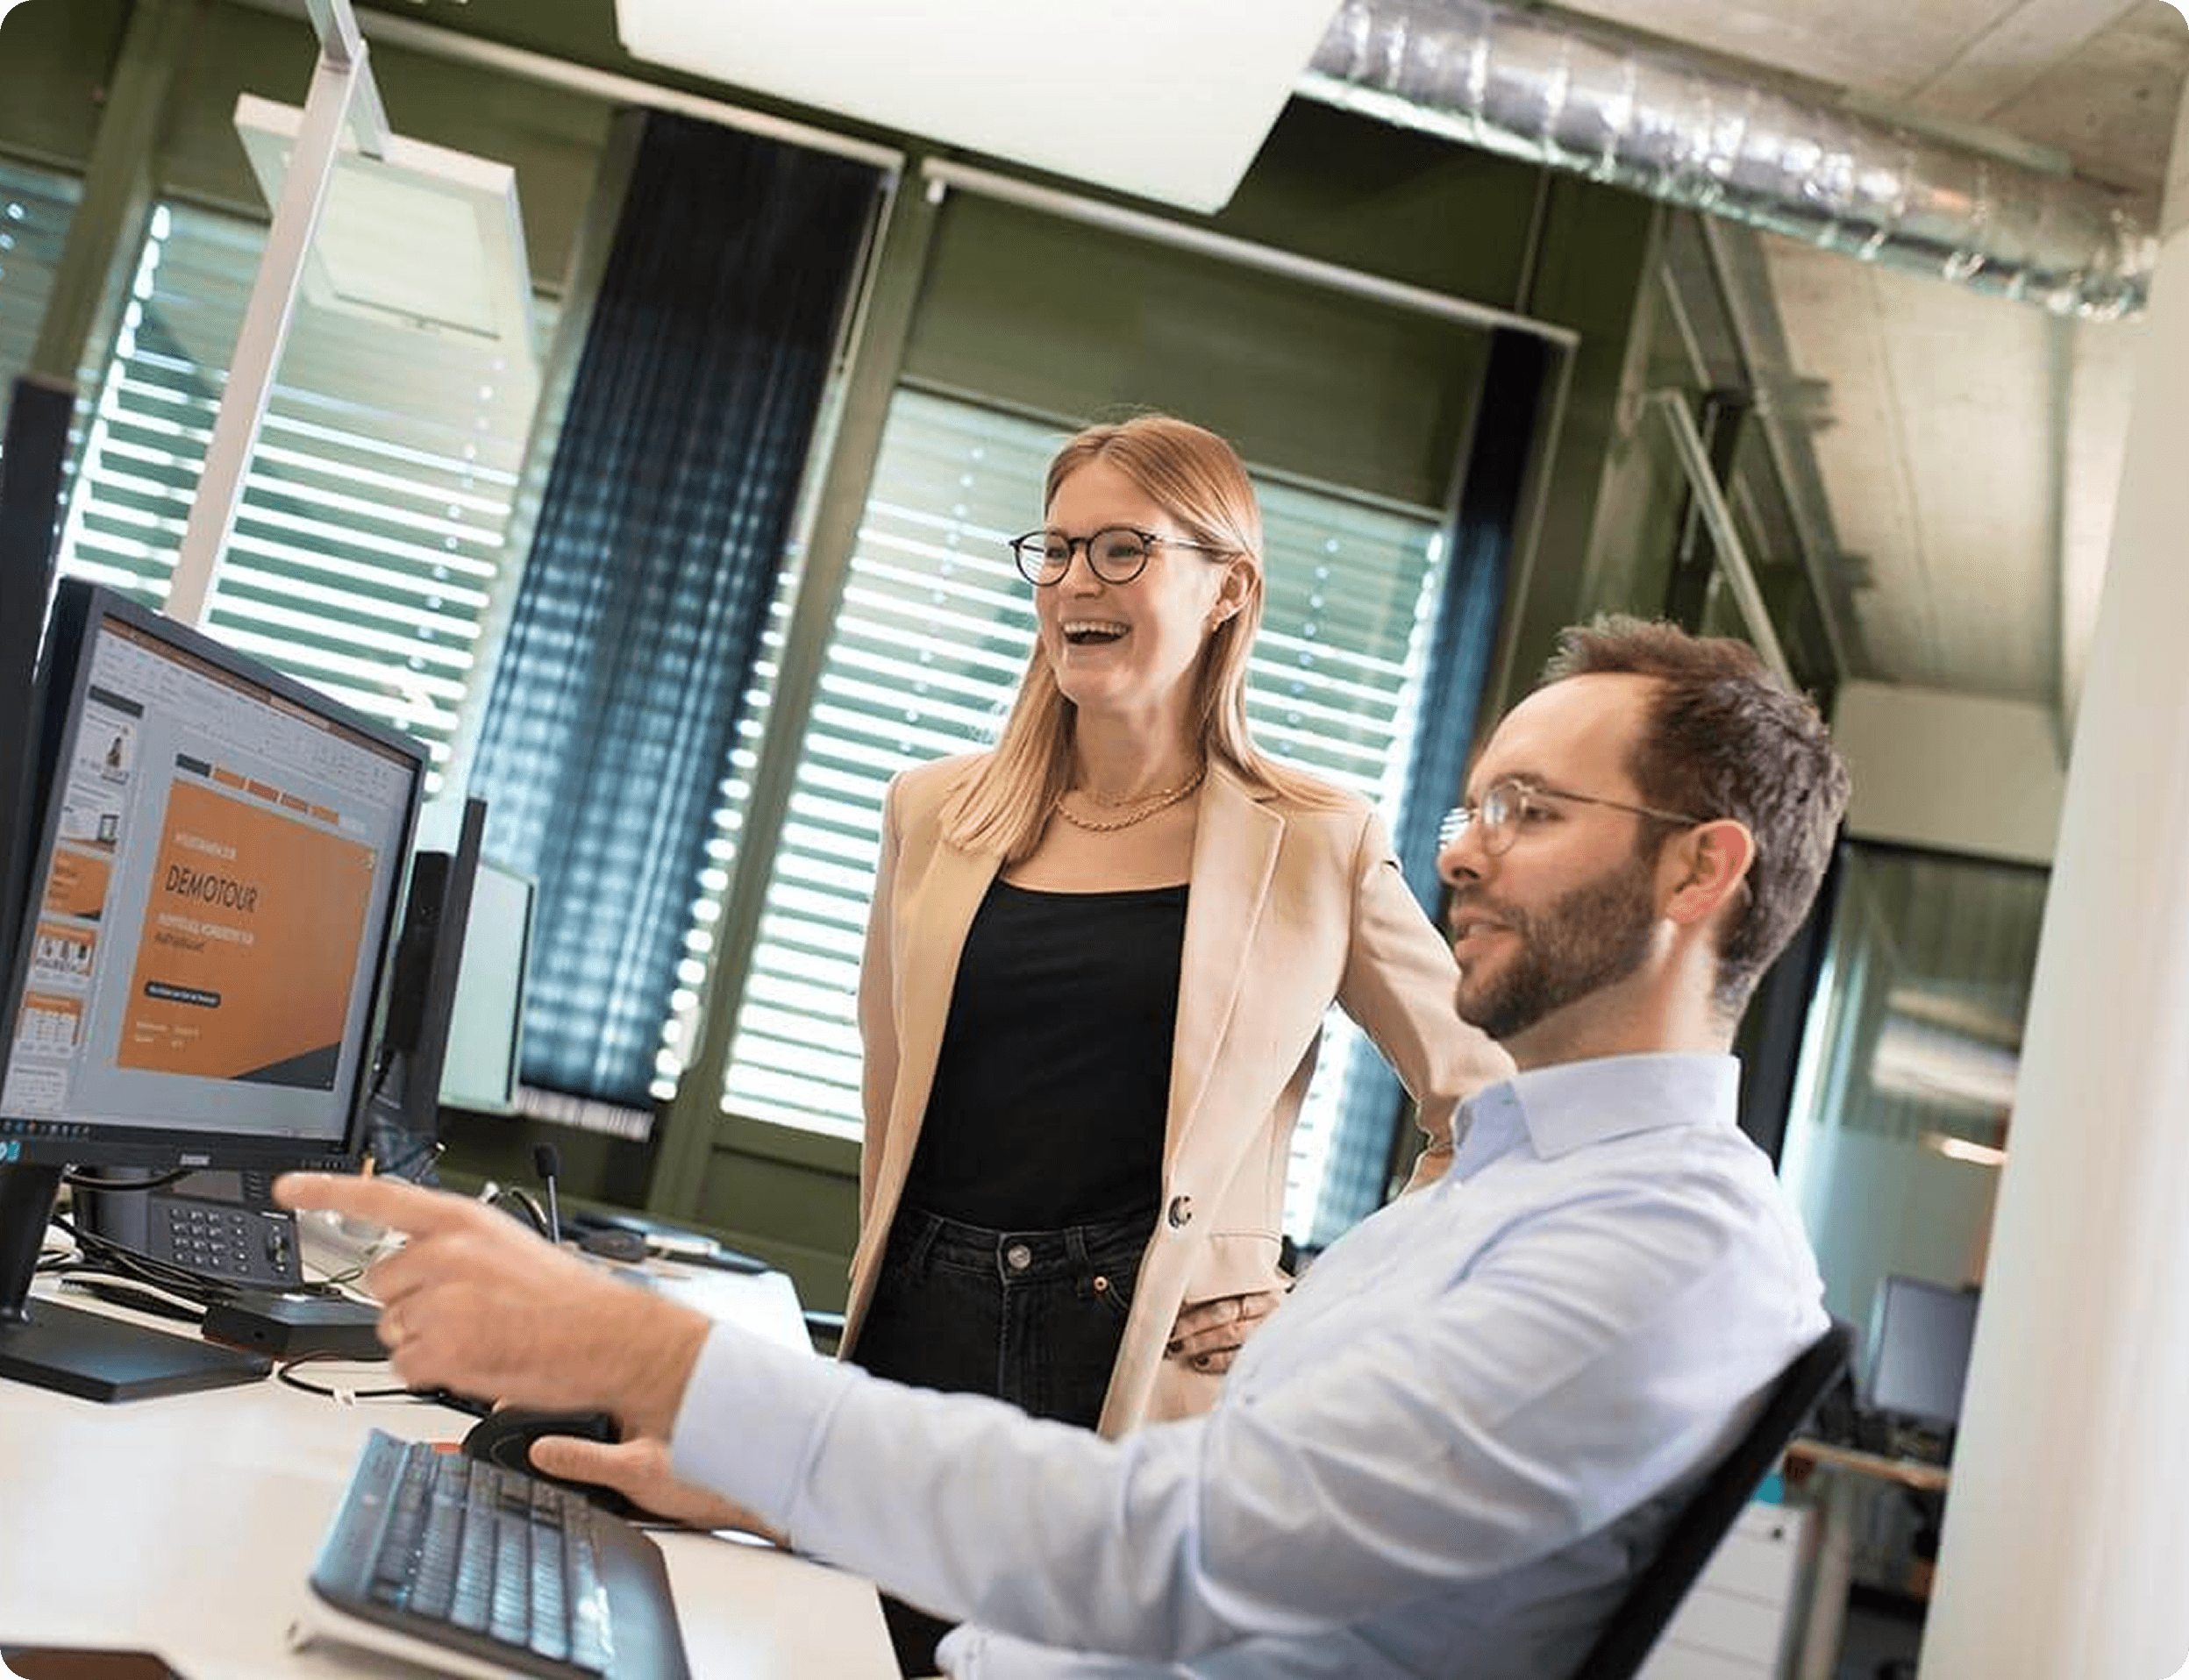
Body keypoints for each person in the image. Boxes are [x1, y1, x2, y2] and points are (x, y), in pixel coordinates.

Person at [281, 614, 1851, 1679]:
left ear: (1699, 871)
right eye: (1469, 810)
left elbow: (1176, 1551)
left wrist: (653, 1351)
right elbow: (1204, 1506)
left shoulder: (1665, 1251)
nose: (1462, 860)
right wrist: (779, 1491)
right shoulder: (1516, 1184)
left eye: (1524, 811)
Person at [847, 414, 1506, 1665]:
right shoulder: (933, 810)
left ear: (1227, 591)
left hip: (1138, 1357)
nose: (1076, 585)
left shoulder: (1317, 840)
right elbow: (892, 1088)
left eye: (1122, 551)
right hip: (914, 1329)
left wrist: (1323, 1306)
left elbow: (1492, 1107)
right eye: (1057, 550)